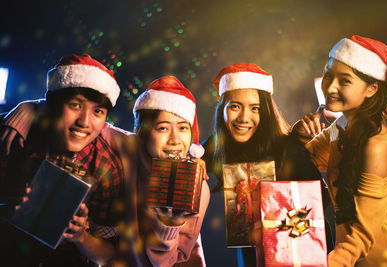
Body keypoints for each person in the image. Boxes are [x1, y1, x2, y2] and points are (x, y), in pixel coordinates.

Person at [2, 75, 211, 266]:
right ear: (141, 132)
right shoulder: (129, 147)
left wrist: (168, 227)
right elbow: (88, 123)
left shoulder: (195, 189)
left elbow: (163, 263)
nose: (175, 140)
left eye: (183, 128)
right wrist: (29, 108)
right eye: (163, 128)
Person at [200, 63, 334, 266]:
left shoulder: (288, 149)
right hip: (251, 256)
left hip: (296, 253)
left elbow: (321, 201)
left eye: (255, 109)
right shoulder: (218, 145)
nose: (244, 118)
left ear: (266, 113)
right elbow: (194, 158)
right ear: (222, 109)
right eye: (235, 106)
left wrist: (275, 211)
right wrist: (196, 160)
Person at [0, 54, 125, 266]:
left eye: (98, 111)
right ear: (52, 104)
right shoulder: (16, 138)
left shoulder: (106, 167)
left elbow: (108, 254)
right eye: (75, 105)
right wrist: (9, 207)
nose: (84, 122)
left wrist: (81, 237)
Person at [292, 35, 387, 266]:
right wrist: (299, 136)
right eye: (328, 74)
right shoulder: (343, 125)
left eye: (345, 81)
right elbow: (306, 161)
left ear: (371, 89)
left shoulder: (378, 144)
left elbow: (361, 237)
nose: (330, 87)